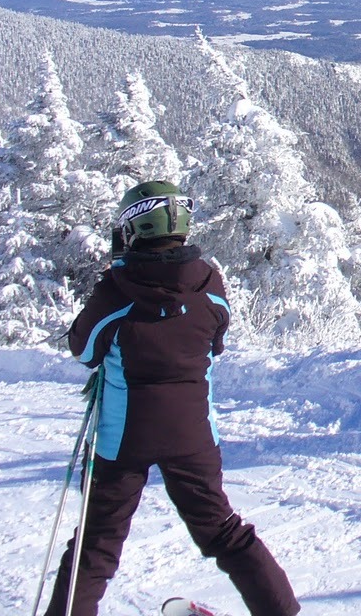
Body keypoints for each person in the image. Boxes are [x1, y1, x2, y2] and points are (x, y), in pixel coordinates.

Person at [42, 181, 300, 616]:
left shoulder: (117, 290)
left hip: (124, 437)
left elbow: (84, 351)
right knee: (223, 531)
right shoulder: (209, 282)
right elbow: (215, 340)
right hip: (193, 434)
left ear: (133, 230)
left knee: (97, 542)